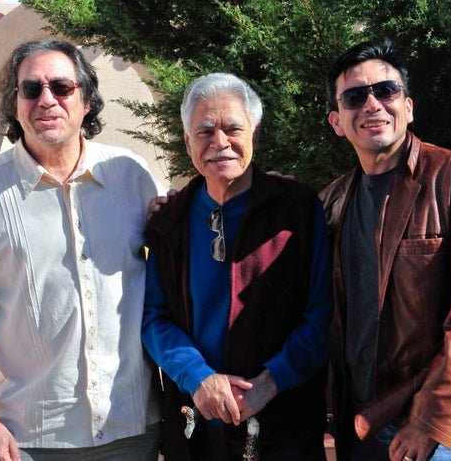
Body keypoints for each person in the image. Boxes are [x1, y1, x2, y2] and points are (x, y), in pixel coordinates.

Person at [0, 38, 164, 461]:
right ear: (16, 105)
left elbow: (190, 237)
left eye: (62, 88)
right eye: (30, 89)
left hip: (133, 428)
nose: (46, 99)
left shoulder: (132, 176)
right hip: (30, 440)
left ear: (86, 100)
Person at [320, 39, 451, 461]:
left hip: (437, 424)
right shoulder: (333, 202)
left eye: (387, 91)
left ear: (408, 107)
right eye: (356, 97)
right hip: (360, 422)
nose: (373, 104)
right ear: (337, 122)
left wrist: (428, 422)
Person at [141, 72, 332, 461]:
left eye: (233, 128)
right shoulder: (169, 221)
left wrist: (271, 381)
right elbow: (155, 319)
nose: (220, 143)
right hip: (194, 426)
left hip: (284, 428)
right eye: (205, 131)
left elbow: (322, 313)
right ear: (187, 142)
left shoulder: (296, 209)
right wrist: (199, 379)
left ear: (255, 135)